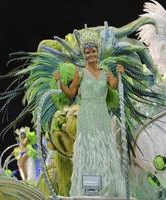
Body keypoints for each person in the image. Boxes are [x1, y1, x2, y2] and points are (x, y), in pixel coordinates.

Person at [53, 41, 126, 196]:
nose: (91, 54)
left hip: (101, 113)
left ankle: (107, 188)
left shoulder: (105, 71)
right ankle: (88, 190)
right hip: (86, 114)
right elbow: (71, 94)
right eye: (87, 52)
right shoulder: (79, 72)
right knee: (88, 149)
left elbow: (113, 85)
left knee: (104, 148)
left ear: (97, 52)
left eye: (93, 51)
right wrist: (59, 82)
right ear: (84, 55)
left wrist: (119, 74)